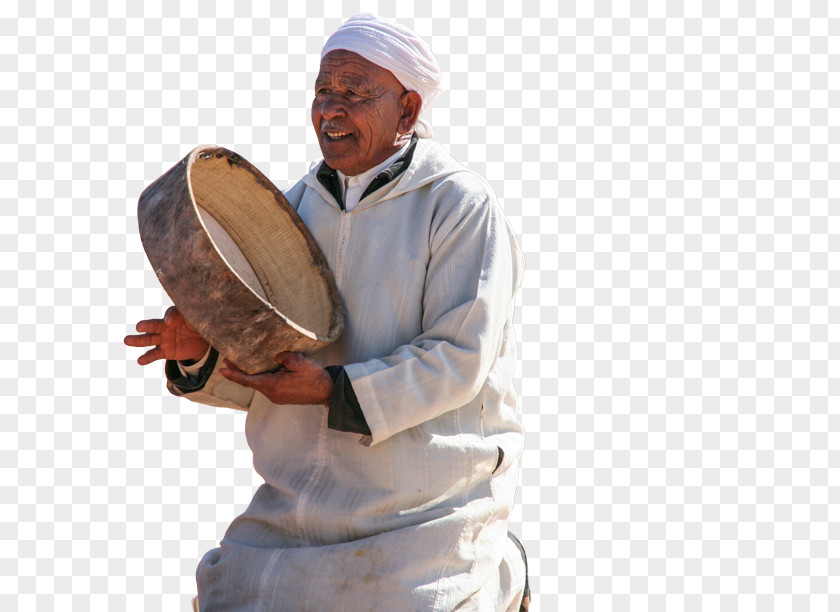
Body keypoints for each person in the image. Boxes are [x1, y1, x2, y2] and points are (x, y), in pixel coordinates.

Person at [125, 14, 529, 612]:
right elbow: (268, 366)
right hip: (292, 512)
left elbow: (458, 357)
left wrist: (333, 391)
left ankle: (501, 572)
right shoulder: (287, 211)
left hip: (422, 510)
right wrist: (204, 354)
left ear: (409, 110)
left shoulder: (458, 205)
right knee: (227, 595)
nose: (330, 110)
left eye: (354, 93)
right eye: (322, 92)